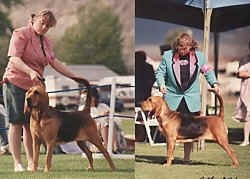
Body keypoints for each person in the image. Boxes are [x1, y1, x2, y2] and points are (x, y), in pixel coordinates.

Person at [2, 9, 86, 172]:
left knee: (30, 125)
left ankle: (32, 163)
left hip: (35, 88)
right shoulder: (20, 34)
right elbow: (14, 58)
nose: (44, 28)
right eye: (43, 24)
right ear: (34, 20)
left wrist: (74, 77)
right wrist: (30, 71)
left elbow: (54, 62)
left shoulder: (46, 42)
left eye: (48, 26)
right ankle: (17, 163)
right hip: (15, 82)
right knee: (16, 122)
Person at [155, 32, 219, 162]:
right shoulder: (168, 56)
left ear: (191, 47)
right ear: (176, 46)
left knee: (190, 130)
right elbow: (160, 72)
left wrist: (214, 83)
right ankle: (169, 157)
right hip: (172, 99)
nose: (183, 51)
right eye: (180, 48)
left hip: (191, 99)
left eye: (186, 48)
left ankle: (186, 158)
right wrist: (161, 84)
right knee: (169, 131)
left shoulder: (200, 57)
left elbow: (208, 71)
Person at [232, 40, 250, 146]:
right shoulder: (245, 59)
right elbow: (239, 73)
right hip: (247, 91)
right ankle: (246, 139)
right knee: (248, 116)